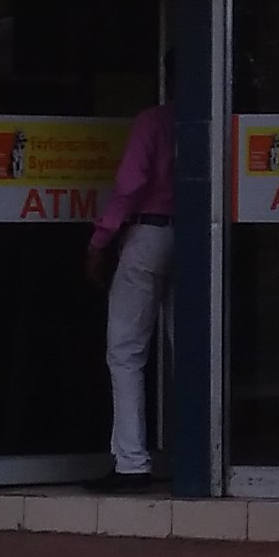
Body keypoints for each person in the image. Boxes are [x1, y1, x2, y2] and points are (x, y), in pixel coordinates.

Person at [85, 98, 176, 485]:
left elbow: (130, 184)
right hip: (196, 235)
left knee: (125, 350)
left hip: (148, 234)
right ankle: (199, 457)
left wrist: (100, 240)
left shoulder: (153, 120)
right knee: (191, 351)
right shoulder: (212, 117)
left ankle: (131, 462)